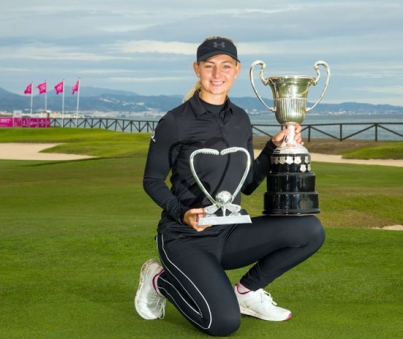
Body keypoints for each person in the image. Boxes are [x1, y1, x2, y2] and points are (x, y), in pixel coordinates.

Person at [134, 36, 325, 337]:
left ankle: (247, 292)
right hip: (186, 239)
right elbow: (152, 180)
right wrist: (182, 212)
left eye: (225, 66)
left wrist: (273, 149)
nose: (217, 74)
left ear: (236, 70)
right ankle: (159, 279)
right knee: (223, 323)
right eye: (209, 66)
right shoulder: (175, 121)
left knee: (309, 230)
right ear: (197, 69)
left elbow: (246, 184)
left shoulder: (241, 119)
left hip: (231, 233)